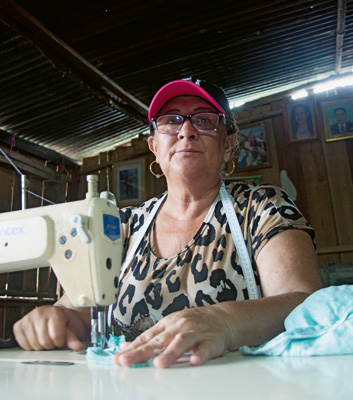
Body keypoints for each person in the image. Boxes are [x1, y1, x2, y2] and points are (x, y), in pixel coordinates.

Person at [13, 77, 322, 369]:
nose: (185, 131)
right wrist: (54, 319)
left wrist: (224, 321)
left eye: (204, 119)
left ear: (228, 144)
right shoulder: (121, 226)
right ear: (154, 146)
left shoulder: (261, 207)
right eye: (171, 120)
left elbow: (304, 306)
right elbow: (76, 313)